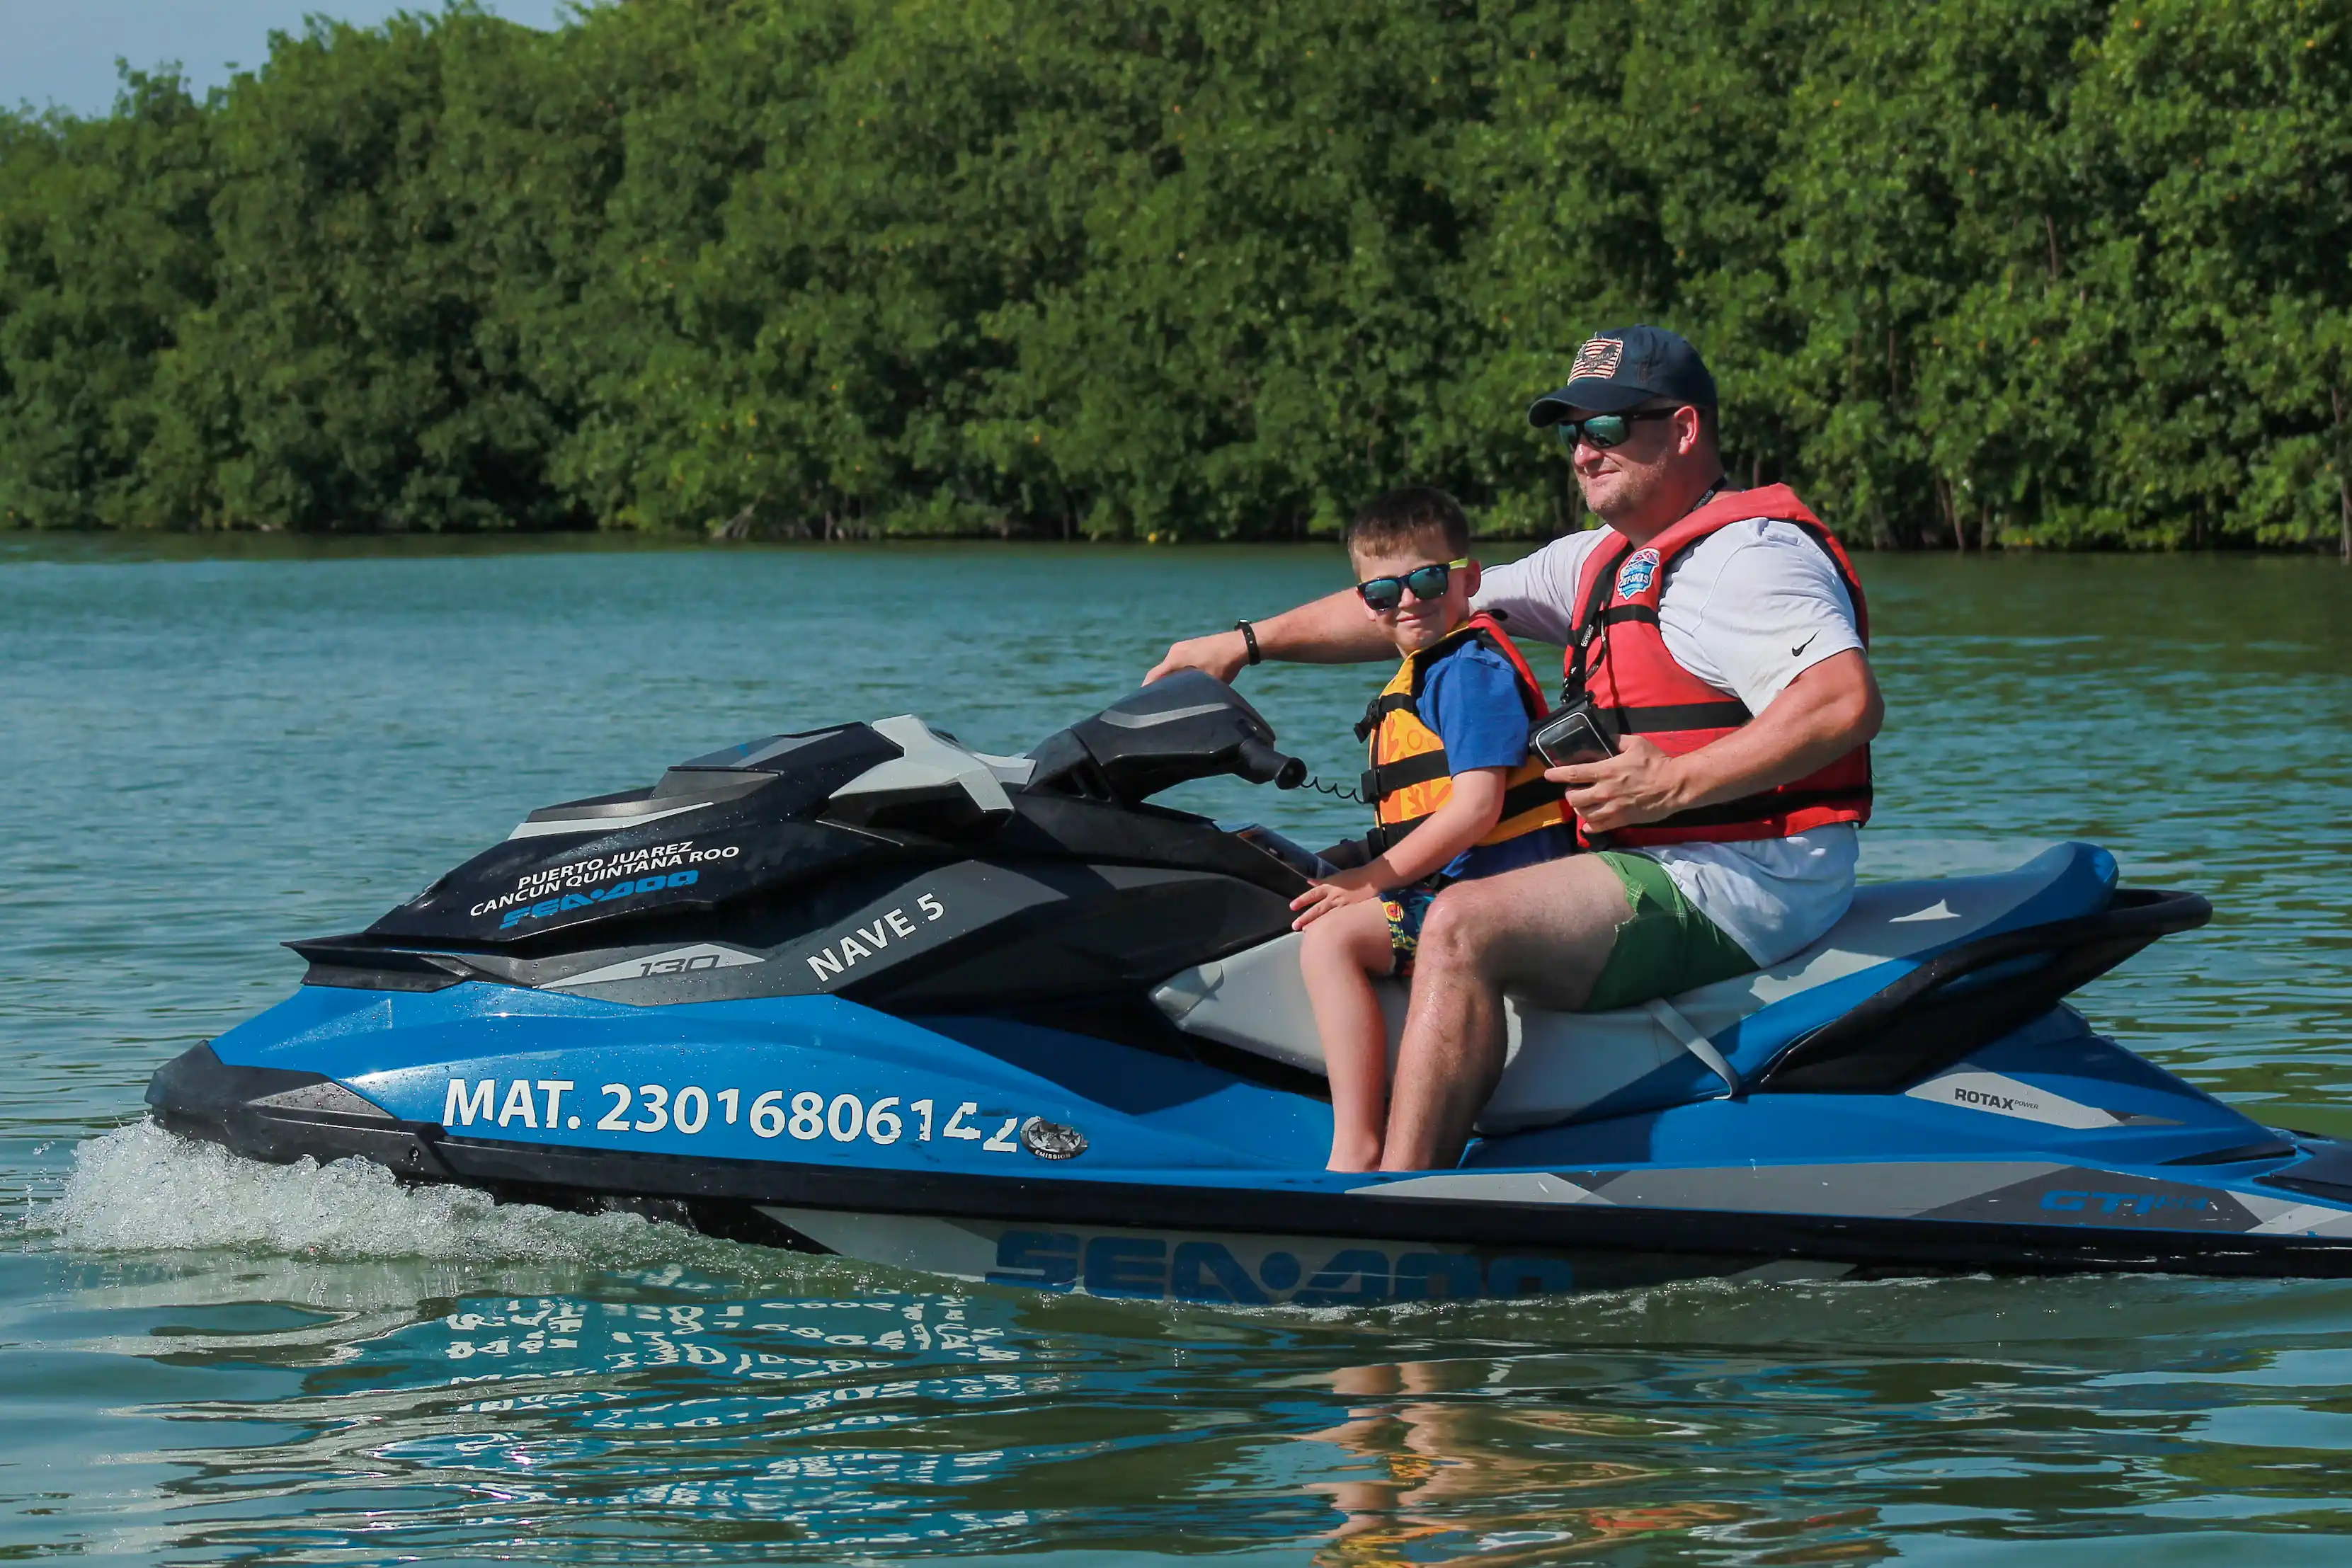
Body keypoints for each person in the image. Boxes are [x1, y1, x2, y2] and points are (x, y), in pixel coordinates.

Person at [1146, 325, 1883, 1170]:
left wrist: (1678, 780)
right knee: (1291, 877)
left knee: (1464, 922)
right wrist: (1244, 643)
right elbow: (1418, 597)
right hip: (1643, 857)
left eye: (1605, 429)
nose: (1582, 453)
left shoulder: (1751, 560)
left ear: (1683, 430)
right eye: (1572, 433)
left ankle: (1399, 1197)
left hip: (1745, 876)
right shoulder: (1603, 560)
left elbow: (1842, 701)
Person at [1291, 487, 1573, 1172]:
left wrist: (1369, 881)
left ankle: (1356, 1143)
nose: (1407, 601)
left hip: (1503, 900)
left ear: (1468, 579)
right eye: (1384, 592)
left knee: (1330, 940)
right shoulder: (1434, 667)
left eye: (1425, 579)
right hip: (1457, 886)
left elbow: (1476, 806)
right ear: (1366, 604)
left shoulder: (1467, 671)